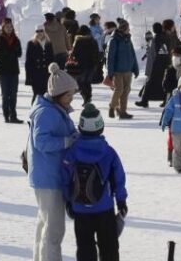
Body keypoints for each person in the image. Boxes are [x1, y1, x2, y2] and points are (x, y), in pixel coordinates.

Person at [61, 102, 127, 261]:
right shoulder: (109, 153)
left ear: (81, 127)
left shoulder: (72, 152)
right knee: (109, 247)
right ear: (101, 127)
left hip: (80, 208)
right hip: (104, 208)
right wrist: (121, 200)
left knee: (85, 249)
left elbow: (64, 178)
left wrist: (68, 201)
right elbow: (118, 178)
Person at [27, 63, 79, 261]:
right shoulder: (47, 113)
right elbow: (41, 142)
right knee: (54, 229)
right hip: (48, 177)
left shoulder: (54, 109)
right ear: (57, 94)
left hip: (48, 174)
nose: (71, 99)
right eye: (69, 95)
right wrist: (66, 141)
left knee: (45, 223)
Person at [105, 19, 139, 119]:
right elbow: (110, 57)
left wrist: (135, 68)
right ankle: (112, 107)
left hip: (128, 70)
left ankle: (122, 112)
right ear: (123, 28)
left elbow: (133, 54)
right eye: (128, 28)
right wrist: (110, 72)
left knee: (126, 91)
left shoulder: (128, 39)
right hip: (118, 71)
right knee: (119, 89)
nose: (129, 29)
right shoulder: (114, 40)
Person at [0, 18, 23, 123]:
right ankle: (6, 115)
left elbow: (19, 53)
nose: (9, 29)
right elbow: (0, 53)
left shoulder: (16, 39)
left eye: (11, 27)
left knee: (14, 93)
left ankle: (13, 115)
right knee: (6, 94)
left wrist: (10, 53)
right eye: (7, 27)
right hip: (3, 70)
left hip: (14, 70)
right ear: (3, 27)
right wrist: (11, 53)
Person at [136, 22, 170, 107]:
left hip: (157, 63)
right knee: (164, 83)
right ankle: (165, 100)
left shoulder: (157, 39)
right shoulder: (165, 37)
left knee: (150, 83)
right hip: (164, 63)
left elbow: (156, 53)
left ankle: (145, 100)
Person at [68, 25, 100, 106]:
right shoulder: (93, 41)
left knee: (80, 82)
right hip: (91, 65)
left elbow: (74, 53)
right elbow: (97, 53)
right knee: (87, 82)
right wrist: (96, 64)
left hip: (81, 65)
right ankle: (88, 97)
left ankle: (86, 97)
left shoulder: (78, 41)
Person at [26, 26, 54, 103]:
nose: (39, 33)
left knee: (46, 95)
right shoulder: (31, 43)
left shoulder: (48, 43)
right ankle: (34, 111)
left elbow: (52, 59)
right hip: (36, 74)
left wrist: (53, 73)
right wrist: (28, 77)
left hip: (46, 74)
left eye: (41, 31)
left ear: (44, 31)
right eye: (37, 31)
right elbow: (28, 61)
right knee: (37, 95)